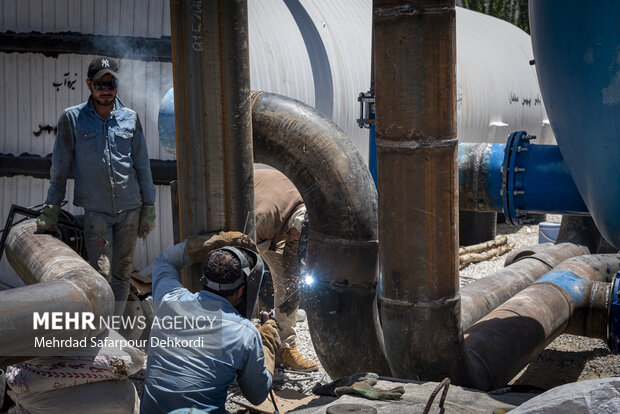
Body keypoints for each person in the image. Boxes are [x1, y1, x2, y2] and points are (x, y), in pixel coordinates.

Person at [36, 56, 156, 316]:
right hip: (97, 213)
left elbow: (142, 167)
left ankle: (113, 330)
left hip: (130, 209)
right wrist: (51, 208)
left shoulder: (130, 119)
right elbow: (59, 169)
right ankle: (102, 328)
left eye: (111, 84)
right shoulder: (72, 119)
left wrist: (149, 206)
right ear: (89, 85)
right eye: (100, 84)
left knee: (123, 273)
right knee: (101, 273)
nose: (106, 90)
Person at [140, 231, 280, 413]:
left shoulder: (169, 300)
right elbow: (257, 395)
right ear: (241, 290)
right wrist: (267, 343)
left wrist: (211, 242)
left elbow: (164, 260)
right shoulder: (244, 334)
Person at [254, 169, 318, 372]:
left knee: (290, 279)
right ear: (291, 227)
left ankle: (286, 347)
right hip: (258, 222)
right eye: (294, 237)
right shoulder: (263, 219)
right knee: (240, 279)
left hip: (280, 218)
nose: (294, 241)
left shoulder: (309, 201)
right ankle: (243, 343)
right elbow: (242, 252)